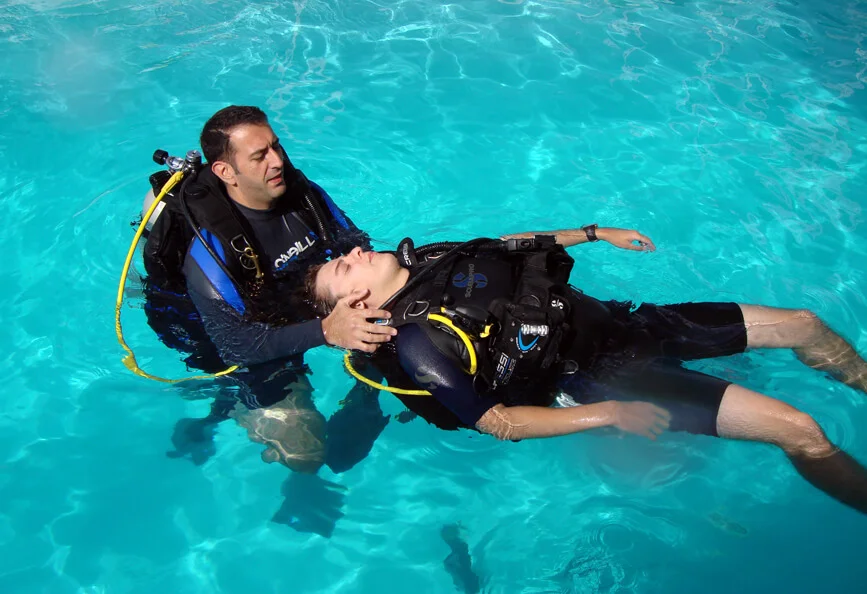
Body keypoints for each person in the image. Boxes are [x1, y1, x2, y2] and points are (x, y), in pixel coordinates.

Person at [304, 229, 867, 515]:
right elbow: (498, 422)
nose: (354, 250)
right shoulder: (420, 346)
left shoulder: (427, 259)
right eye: (342, 266)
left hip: (634, 325)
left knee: (804, 322)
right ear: (354, 303)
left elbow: (508, 245)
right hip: (610, 381)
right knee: (802, 432)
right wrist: (611, 413)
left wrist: (595, 232)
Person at [141, 106, 399, 533]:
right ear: (225, 170)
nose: (277, 161)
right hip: (224, 331)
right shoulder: (212, 246)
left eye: (276, 146)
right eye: (259, 156)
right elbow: (236, 345)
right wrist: (324, 331)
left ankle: (364, 395)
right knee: (306, 450)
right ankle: (237, 415)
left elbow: (352, 241)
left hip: (292, 299)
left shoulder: (300, 192)